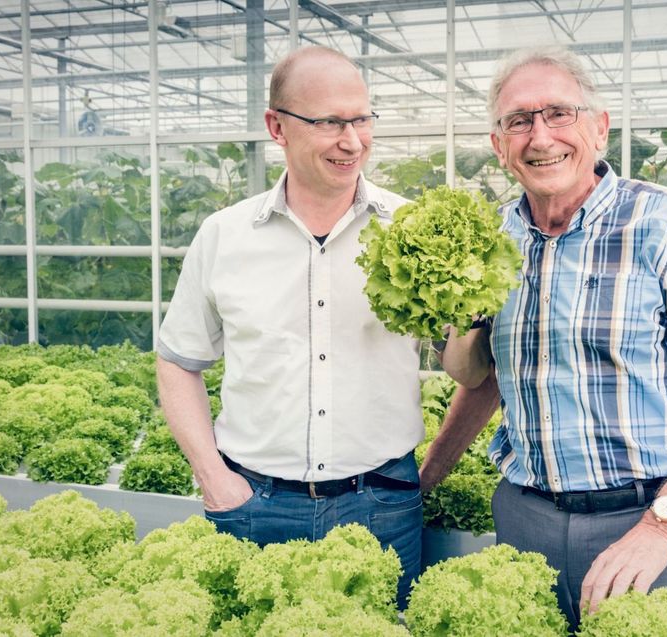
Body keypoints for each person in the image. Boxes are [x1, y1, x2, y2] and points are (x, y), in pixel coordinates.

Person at [426, 45, 667, 631]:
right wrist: (424, 481)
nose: (541, 136)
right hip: (526, 521)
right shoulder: (493, 240)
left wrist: (660, 529)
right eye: (519, 121)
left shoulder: (666, 224)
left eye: (559, 113)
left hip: (653, 521)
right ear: (500, 146)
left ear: (599, 128)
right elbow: (488, 381)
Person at [156, 46, 424, 605]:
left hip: (381, 503)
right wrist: (213, 478)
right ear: (277, 126)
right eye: (329, 122)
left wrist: (472, 322)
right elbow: (180, 360)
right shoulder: (224, 236)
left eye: (361, 119)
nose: (352, 141)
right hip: (253, 503)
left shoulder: (410, 228)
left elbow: (461, 365)